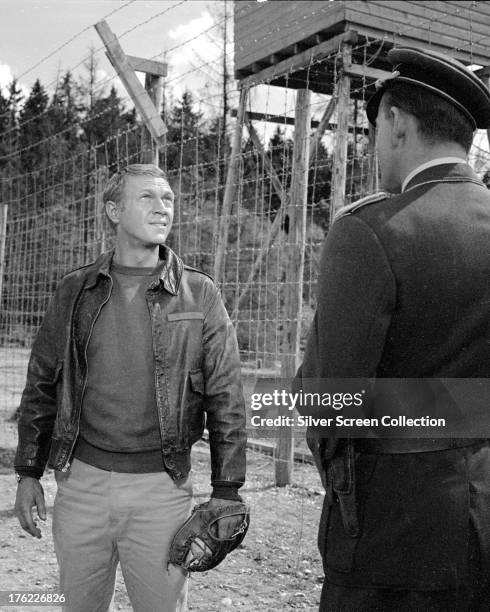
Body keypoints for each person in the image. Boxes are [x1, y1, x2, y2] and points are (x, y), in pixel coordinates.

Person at [294, 47, 490, 611]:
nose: (373, 145)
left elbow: (329, 404)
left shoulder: (372, 230)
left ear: (397, 124)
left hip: (392, 531)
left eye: (374, 129)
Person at [14, 164, 247, 612]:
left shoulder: (200, 294)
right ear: (113, 210)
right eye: (147, 198)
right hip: (81, 485)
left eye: (168, 200)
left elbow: (226, 398)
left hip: (162, 490)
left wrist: (227, 490)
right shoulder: (74, 291)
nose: (163, 208)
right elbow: (42, 383)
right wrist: (29, 471)